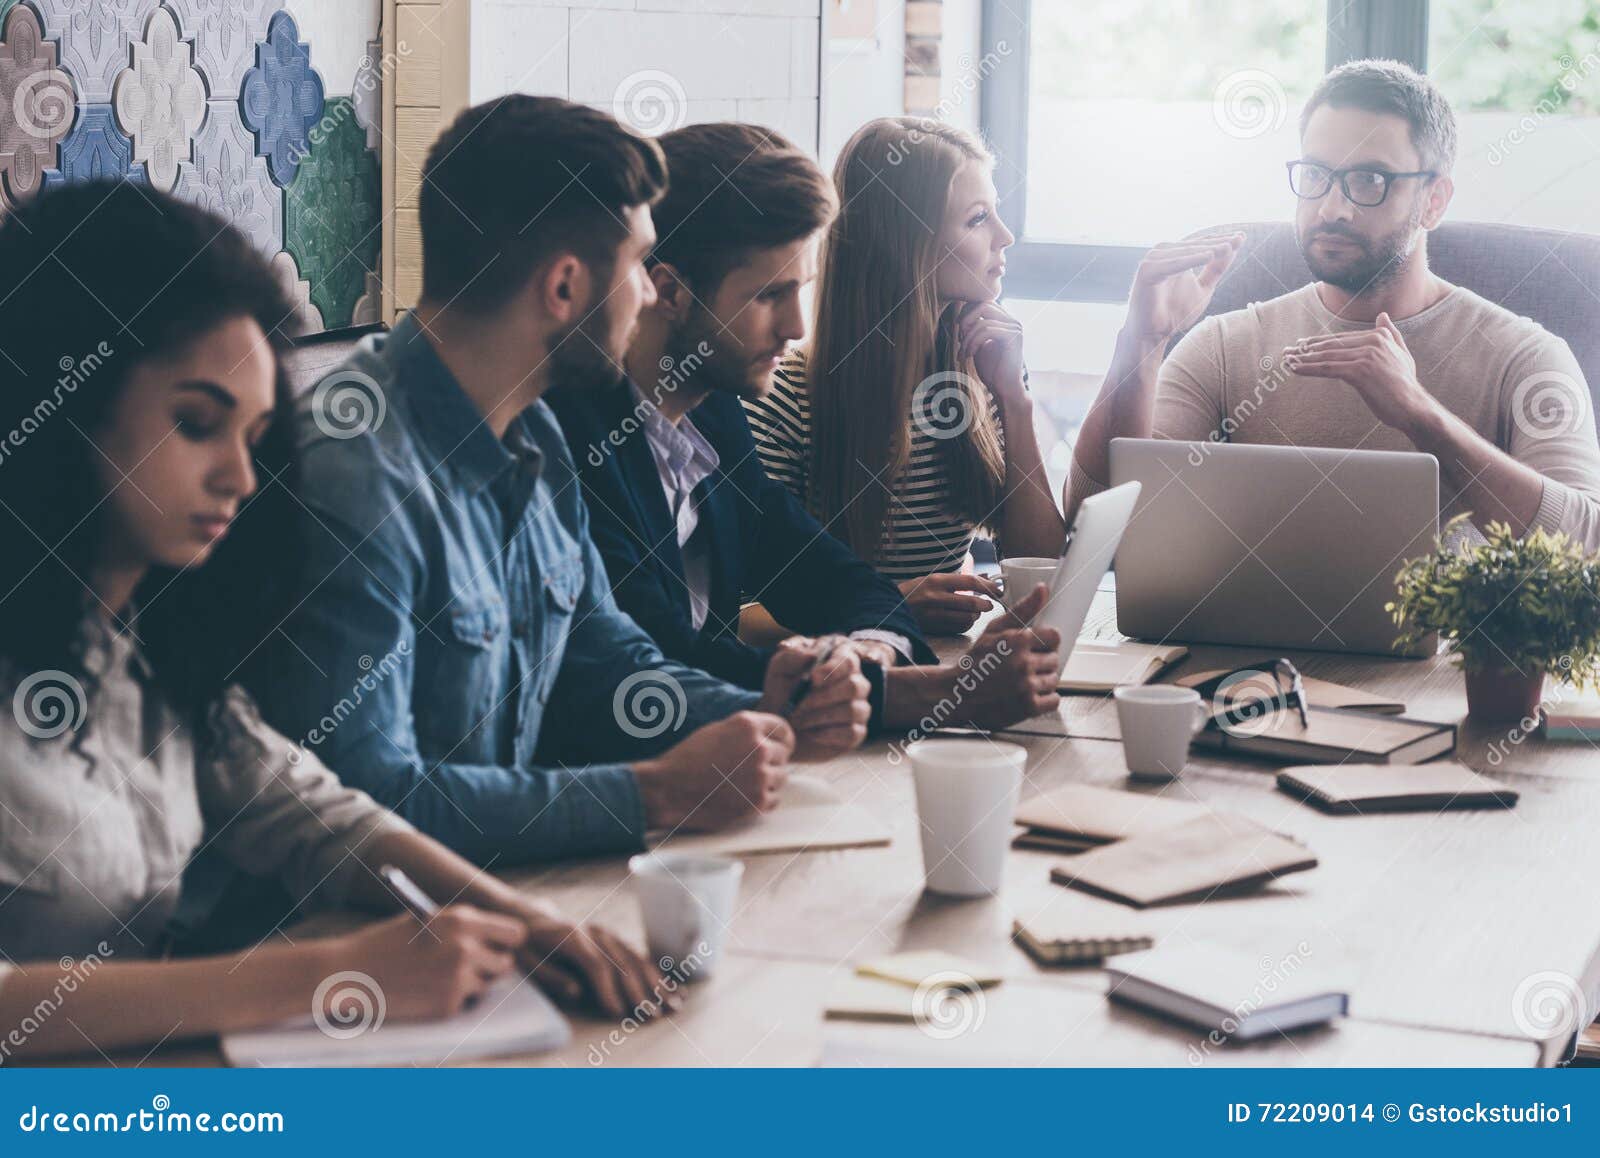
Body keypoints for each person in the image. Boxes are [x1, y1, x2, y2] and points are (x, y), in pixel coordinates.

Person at [0, 183, 662, 1060]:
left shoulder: (141, 644)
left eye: (255, 435)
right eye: (196, 424)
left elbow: (318, 815)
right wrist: (335, 974)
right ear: (62, 402)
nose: (241, 478)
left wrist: (518, 920)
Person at [252, 97, 870, 869]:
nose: (653, 296)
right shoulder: (353, 482)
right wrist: (652, 795)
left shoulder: (534, 429)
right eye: (640, 266)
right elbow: (366, 804)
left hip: (505, 900)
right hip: (358, 948)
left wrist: (761, 711)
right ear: (566, 289)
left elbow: (599, 653)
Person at [548, 122, 1062, 731]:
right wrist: (934, 692)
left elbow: (839, 582)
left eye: (802, 290)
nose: (796, 325)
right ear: (671, 293)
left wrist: (870, 651)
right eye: (770, 295)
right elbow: (662, 666)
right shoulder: (572, 445)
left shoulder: (714, 416)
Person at [1065, 59, 1600, 551]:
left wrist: (1423, 417)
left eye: (1369, 180)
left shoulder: (1525, 356)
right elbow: (1096, 528)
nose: (1332, 207)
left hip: (1453, 659)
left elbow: (1585, 550)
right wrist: (1139, 347)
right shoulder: (1225, 347)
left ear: (1433, 201)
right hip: (1243, 654)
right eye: (1317, 175)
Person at [743, 118, 1067, 637]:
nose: (1005, 237)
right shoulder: (786, 398)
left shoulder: (982, 373)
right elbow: (727, 622)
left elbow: (1044, 575)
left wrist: (1015, 399)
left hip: (938, 670)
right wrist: (885, 606)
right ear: (905, 243)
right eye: (978, 219)